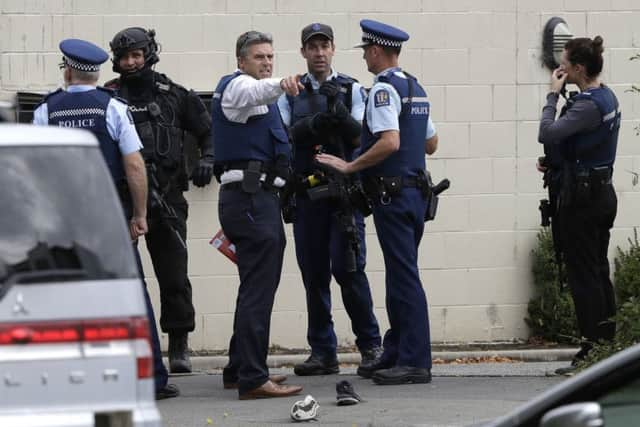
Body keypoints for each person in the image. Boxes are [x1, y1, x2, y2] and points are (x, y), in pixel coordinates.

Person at [33, 38, 179, 399]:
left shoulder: (46, 110)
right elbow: (134, 165)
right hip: (108, 211)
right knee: (130, 293)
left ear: (67, 69)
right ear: (95, 72)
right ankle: (151, 380)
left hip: (62, 217)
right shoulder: (112, 107)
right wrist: (140, 214)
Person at [316, 19, 438, 385]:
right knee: (402, 275)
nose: (366, 58)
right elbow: (431, 143)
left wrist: (351, 165)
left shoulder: (383, 90)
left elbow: (390, 141)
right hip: (414, 193)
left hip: (394, 194)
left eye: (366, 51)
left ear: (375, 51)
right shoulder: (415, 87)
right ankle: (396, 350)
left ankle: (415, 361)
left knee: (404, 277)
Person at [105, 28, 215, 373]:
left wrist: (207, 159)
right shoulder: (107, 96)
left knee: (173, 276)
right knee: (120, 277)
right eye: (124, 57)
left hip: (167, 199)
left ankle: (179, 345)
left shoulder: (174, 95)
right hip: (121, 201)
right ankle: (125, 345)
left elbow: (209, 130)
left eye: (137, 54)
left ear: (149, 53)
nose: (131, 62)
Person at [276, 23, 382, 377]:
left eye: (325, 46)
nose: (319, 53)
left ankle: (371, 347)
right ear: (303, 52)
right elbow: (284, 137)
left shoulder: (352, 89)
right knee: (314, 275)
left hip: (343, 196)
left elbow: (363, 139)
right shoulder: (291, 91)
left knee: (349, 271)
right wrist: (317, 124)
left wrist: (340, 117)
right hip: (307, 195)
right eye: (312, 47)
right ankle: (323, 351)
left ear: (333, 49)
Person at [211, 30, 304, 399]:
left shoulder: (258, 97)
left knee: (254, 288)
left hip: (259, 200)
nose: (266, 62)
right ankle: (252, 378)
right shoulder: (236, 87)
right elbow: (254, 92)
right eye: (258, 57)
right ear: (240, 61)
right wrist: (281, 83)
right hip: (248, 201)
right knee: (258, 292)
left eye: (270, 57)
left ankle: (239, 368)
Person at [538, 36, 620, 374]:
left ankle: (592, 353)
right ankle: (606, 348)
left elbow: (548, 132)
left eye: (566, 63)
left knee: (584, 275)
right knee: (598, 271)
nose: (561, 68)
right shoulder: (606, 96)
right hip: (599, 194)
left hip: (583, 202)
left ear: (579, 68)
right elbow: (580, 145)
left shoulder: (588, 104)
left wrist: (551, 96)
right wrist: (557, 164)